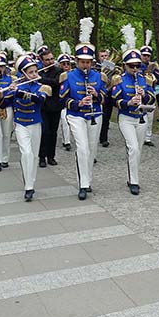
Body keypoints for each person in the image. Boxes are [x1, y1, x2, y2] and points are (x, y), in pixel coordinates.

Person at [59, 18, 106, 200]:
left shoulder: (99, 76)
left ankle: (88, 180)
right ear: (76, 61)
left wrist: (95, 94)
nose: (85, 65)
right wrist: (78, 103)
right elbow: (63, 99)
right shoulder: (68, 76)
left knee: (92, 150)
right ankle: (83, 184)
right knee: (82, 148)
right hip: (76, 115)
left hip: (95, 114)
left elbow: (105, 97)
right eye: (82, 62)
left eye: (88, 62)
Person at [111, 36, 156, 195]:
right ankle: (134, 182)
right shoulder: (119, 80)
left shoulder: (144, 79)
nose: (135, 69)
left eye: (137, 66)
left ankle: (132, 177)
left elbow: (152, 98)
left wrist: (143, 95)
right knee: (133, 148)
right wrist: (128, 102)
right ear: (124, 66)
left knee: (139, 150)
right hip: (126, 118)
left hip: (142, 118)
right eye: (131, 66)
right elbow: (115, 100)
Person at [12, 55, 50, 201]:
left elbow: (40, 99)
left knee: (34, 155)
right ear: (23, 74)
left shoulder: (41, 87)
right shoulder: (15, 85)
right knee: (26, 153)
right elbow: (3, 101)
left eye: (36, 71)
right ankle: (28, 187)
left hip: (35, 123)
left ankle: (31, 183)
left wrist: (19, 92)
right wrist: (8, 91)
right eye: (32, 72)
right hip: (20, 123)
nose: (35, 74)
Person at [38, 48, 63, 167]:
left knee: (53, 132)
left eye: (52, 59)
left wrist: (40, 79)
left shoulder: (59, 71)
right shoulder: (38, 71)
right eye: (47, 60)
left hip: (55, 106)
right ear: (41, 60)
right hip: (42, 107)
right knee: (44, 132)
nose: (50, 61)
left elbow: (55, 82)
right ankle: (42, 157)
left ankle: (51, 156)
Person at [139, 30, 159, 147]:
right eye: (144, 55)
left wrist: (152, 76)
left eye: (148, 55)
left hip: (150, 92)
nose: (146, 57)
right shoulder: (137, 65)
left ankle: (148, 137)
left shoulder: (153, 66)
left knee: (150, 116)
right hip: (140, 92)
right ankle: (140, 136)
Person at [56, 51, 72, 151]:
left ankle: (67, 141)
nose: (66, 65)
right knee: (63, 123)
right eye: (63, 63)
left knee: (67, 122)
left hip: (70, 102)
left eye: (68, 63)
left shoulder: (73, 74)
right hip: (59, 103)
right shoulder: (57, 74)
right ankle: (66, 140)